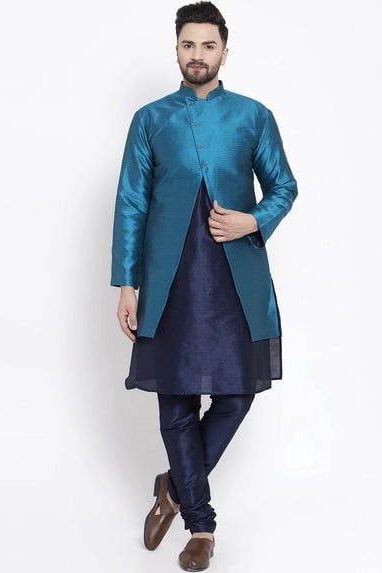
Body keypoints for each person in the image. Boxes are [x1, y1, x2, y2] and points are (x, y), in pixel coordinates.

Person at [111, 2, 297, 570]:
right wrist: (126, 284)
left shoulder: (253, 116)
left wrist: (252, 220)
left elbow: (284, 186)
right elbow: (132, 202)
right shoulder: (150, 120)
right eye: (188, 45)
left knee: (237, 394)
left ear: (224, 52)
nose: (197, 55)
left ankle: (172, 488)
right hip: (168, 278)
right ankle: (202, 526)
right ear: (176, 50)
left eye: (208, 45)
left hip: (234, 277)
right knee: (176, 398)